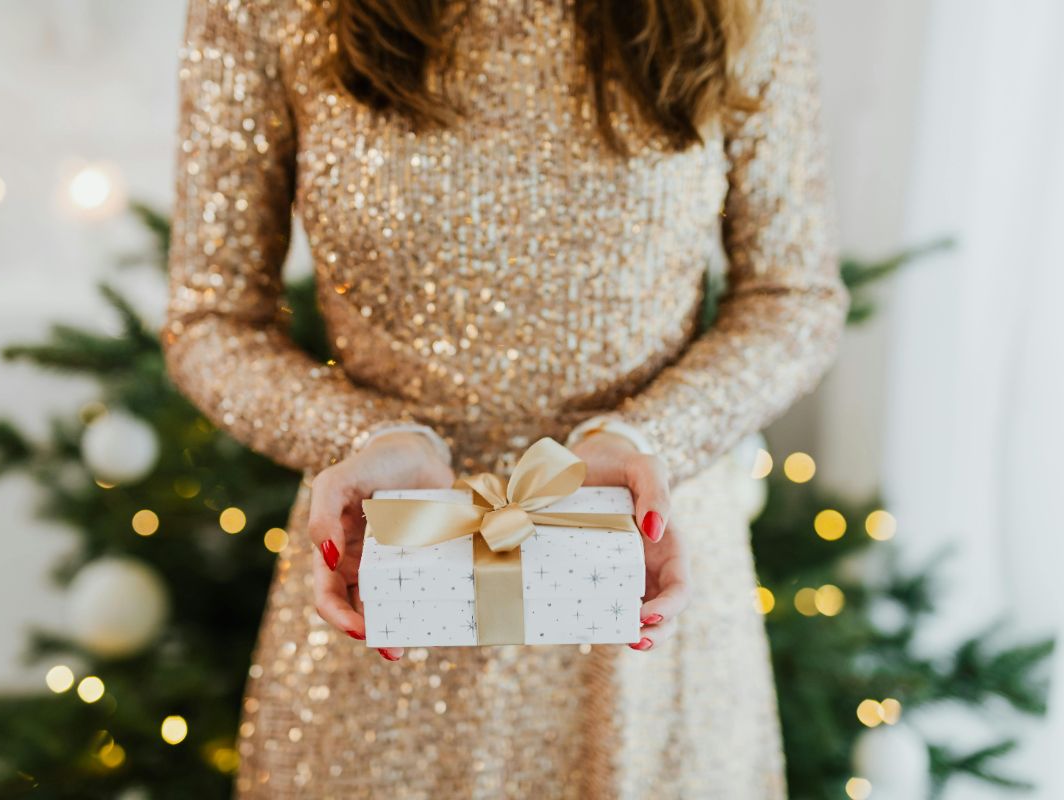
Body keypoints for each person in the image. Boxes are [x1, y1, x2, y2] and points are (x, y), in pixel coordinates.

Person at [163, 0, 847, 795]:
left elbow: (793, 295)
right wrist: (361, 434)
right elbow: (213, 318)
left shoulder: (743, 10)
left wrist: (651, 434)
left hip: (635, 588)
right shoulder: (267, 10)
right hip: (393, 574)